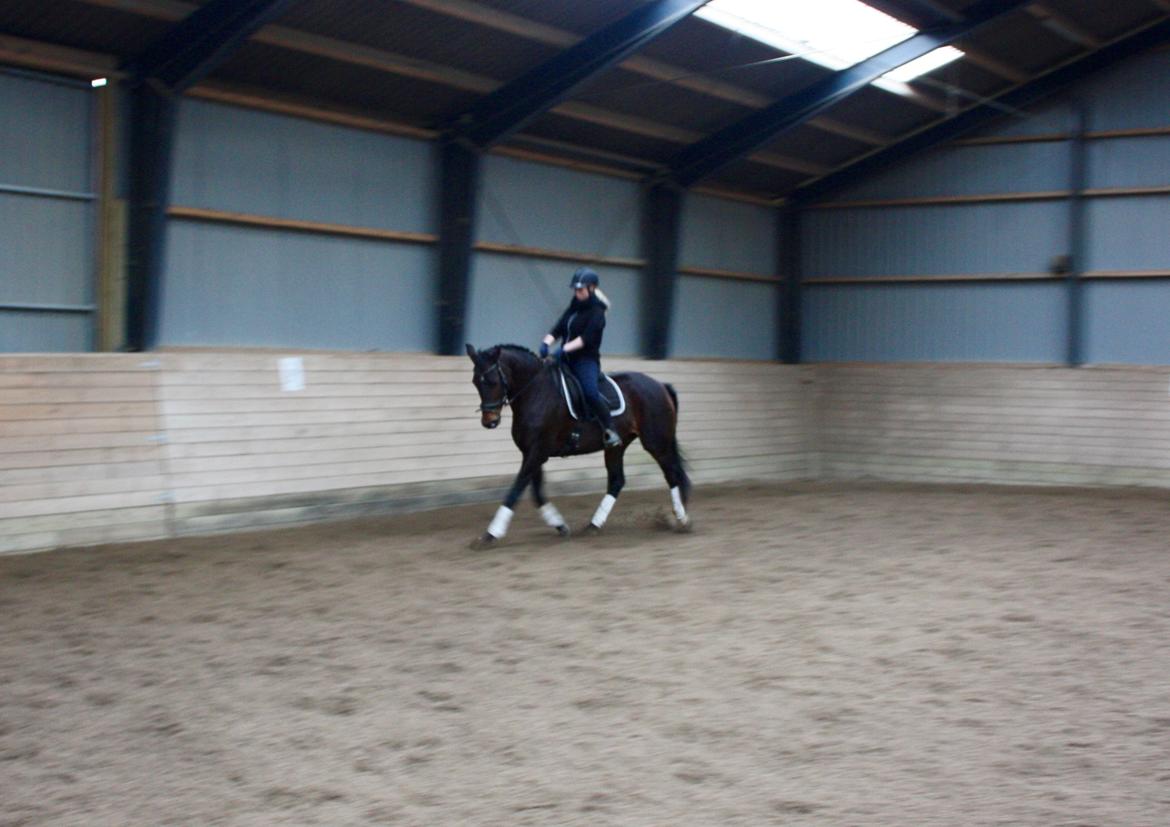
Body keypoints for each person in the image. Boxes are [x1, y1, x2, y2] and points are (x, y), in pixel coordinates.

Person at [541, 267, 622, 448]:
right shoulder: (574, 306)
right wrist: (546, 342)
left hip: (585, 360)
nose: (577, 293)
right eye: (575, 290)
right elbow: (559, 327)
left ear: (592, 288)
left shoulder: (597, 312)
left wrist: (563, 350)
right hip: (565, 357)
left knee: (589, 392)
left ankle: (610, 430)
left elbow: (586, 339)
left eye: (580, 290)